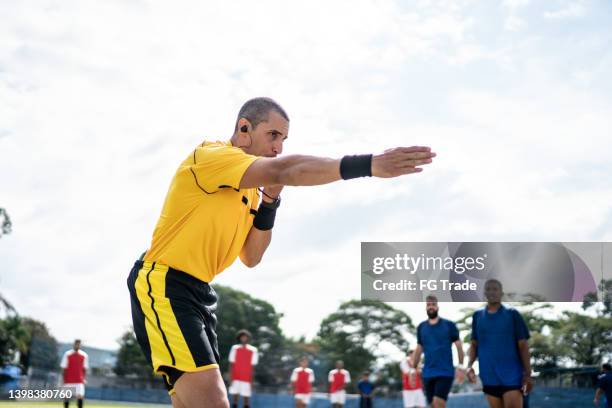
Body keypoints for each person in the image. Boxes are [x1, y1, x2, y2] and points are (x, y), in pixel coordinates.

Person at [126, 97, 436, 408]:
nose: (279, 147)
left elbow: (251, 256)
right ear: (244, 128)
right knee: (215, 403)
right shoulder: (212, 156)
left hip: (199, 294)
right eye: (273, 135)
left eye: (284, 139)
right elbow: (288, 169)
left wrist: (270, 202)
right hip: (165, 283)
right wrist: (370, 165)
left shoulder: (248, 188)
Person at [466, 279, 533, 408]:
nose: (492, 292)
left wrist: (528, 374)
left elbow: (523, 346)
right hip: (488, 377)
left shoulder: (512, 314)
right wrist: (469, 366)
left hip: (512, 376)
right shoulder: (477, 316)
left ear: (501, 293)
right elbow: (474, 344)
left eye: (495, 289)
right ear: (484, 293)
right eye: (488, 289)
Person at [412, 295, 464, 408]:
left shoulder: (449, 325)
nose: (431, 307)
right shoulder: (421, 327)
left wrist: (460, 366)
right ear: (426, 307)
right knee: (432, 405)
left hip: (445, 371)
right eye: (428, 305)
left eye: (433, 305)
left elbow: (459, 346)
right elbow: (419, 348)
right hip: (427, 373)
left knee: (438, 402)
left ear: (438, 307)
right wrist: (413, 369)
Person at [228, 330, 258, 408]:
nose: (244, 338)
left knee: (246, 400)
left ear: (248, 338)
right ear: (239, 338)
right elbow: (231, 365)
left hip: (247, 379)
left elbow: (253, 368)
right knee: (235, 399)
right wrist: (230, 378)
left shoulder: (253, 350)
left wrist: (252, 381)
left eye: (245, 337)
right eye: (242, 337)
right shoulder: (234, 348)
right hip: (235, 377)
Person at [60, 339, 88, 408]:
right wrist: (63, 379)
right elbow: (63, 367)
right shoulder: (67, 354)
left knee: (80, 396)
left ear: (80, 345)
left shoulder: (84, 355)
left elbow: (85, 369)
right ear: (74, 344)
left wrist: (84, 379)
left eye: (79, 344)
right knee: (67, 397)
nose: (77, 345)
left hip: (79, 380)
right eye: (76, 344)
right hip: (68, 380)